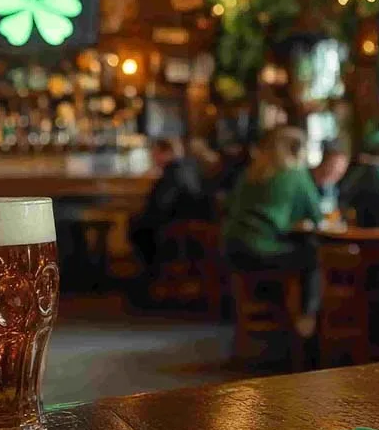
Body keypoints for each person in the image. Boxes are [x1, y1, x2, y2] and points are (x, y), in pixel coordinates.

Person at [222, 126, 323, 337]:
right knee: (313, 255)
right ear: (299, 150)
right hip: (261, 251)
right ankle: (306, 320)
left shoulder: (250, 173)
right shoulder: (296, 174)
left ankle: (277, 327)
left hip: (232, 248)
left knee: (298, 252)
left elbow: (231, 206)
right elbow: (315, 215)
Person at [128, 137, 207, 270]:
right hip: (189, 222)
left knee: (137, 226)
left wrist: (144, 215)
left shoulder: (173, 170)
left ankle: (151, 274)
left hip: (173, 224)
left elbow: (162, 203)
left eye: (155, 154)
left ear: (166, 153)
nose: (153, 159)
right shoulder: (188, 166)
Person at [310, 140, 349, 214]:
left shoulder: (333, 188)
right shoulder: (304, 182)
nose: (335, 177)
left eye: (340, 173)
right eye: (332, 168)